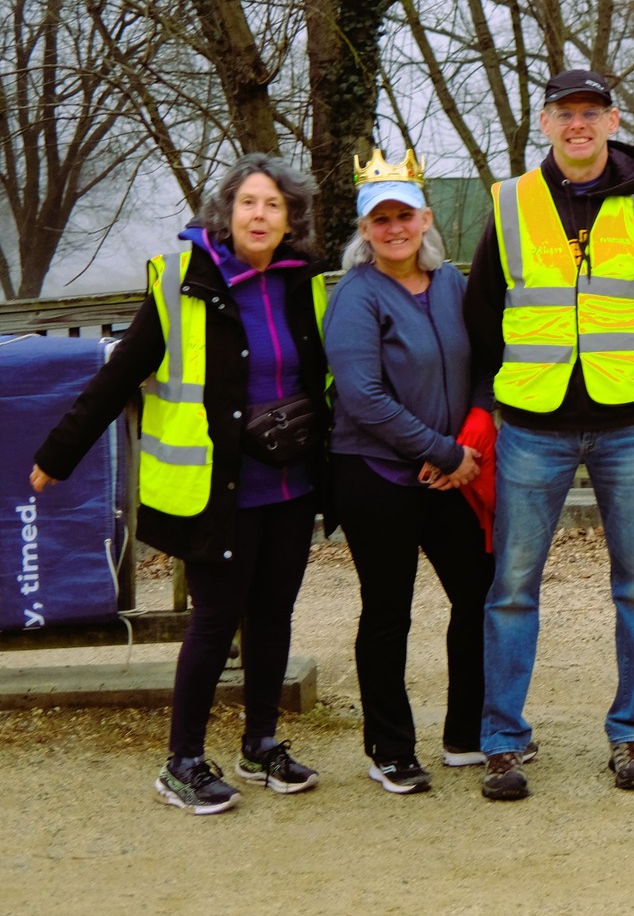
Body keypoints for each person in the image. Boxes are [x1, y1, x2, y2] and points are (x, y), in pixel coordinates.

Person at [32, 155, 330, 814]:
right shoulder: (180, 284)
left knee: (273, 616)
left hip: (289, 487)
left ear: (291, 220)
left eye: (274, 205)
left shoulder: (304, 284)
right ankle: (183, 762)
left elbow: (324, 381)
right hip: (213, 493)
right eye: (249, 202)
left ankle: (260, 744)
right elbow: (119, 377)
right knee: (215, 621)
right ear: (227, 211)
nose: (260, 214)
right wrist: (58, 453)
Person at [464, 69, 634, 799]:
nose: (579, 125)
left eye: (592, 112)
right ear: (546, 122)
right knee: (513, 589)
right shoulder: (509, 203)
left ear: (613, 122)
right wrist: (485, 409)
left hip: (626, 423)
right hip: (532, 425)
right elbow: (480, 316)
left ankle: (631, 734)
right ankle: (502, 740)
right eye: (566, 113)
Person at [324, 148, 493, 794]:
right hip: (376, 476)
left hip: (453, 472)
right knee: (388, 609)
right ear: (365, 230)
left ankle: (468, 731)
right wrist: (440, 450)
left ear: (426, 219)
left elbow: (485, 357)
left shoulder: (452, 282)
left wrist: (472, 428)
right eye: (380, 219)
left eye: (404, 216)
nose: (394, 228)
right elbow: (363, 396)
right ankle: (390, 747)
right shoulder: (357, 296)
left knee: (478, 594)